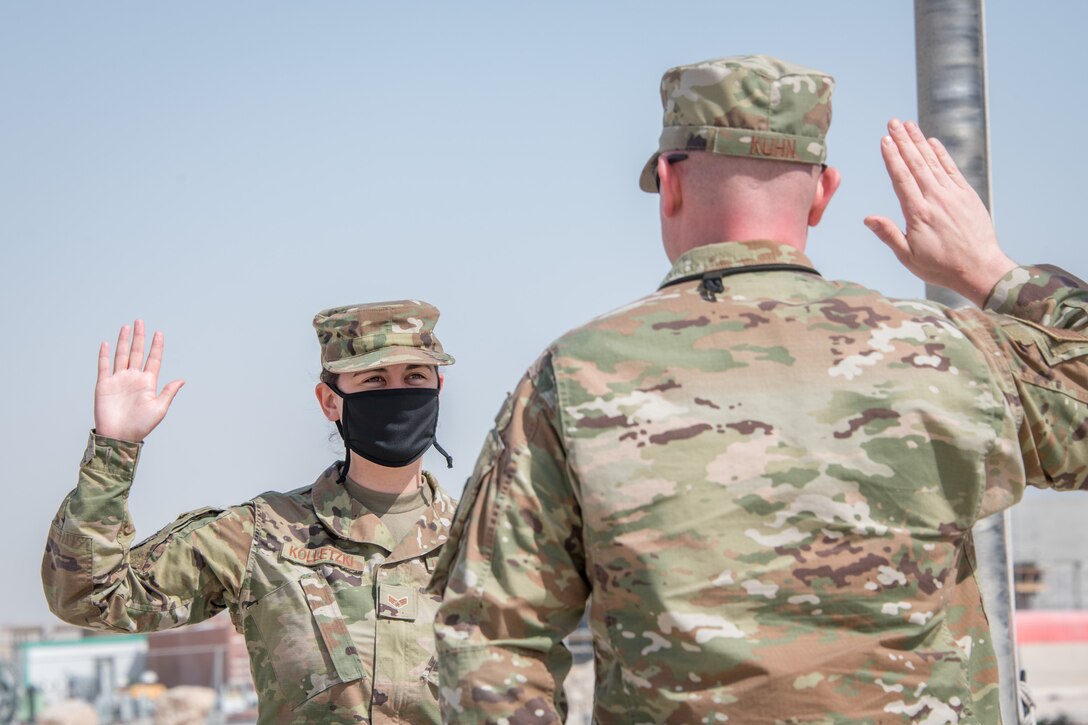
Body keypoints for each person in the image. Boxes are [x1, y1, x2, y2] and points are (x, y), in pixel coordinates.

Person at [429, 55, 1088, 723]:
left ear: (669, 182)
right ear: (824, 192)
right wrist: (996, 275)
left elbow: (491, 640)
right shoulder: (949, 351)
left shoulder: (575, 376)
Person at [43, 300, 460, 724]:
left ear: (438, 388)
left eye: (414, 377)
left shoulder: (488, 545)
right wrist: (115, 450)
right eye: (373, 379)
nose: (397, 394)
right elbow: (89, 598)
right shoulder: (262, 533)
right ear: (329, 402)